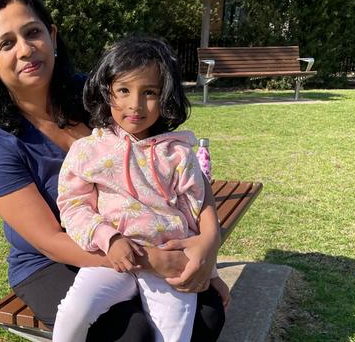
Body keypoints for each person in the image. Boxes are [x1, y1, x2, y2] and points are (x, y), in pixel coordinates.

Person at [0, 0, 226, 341]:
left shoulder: (101, 95)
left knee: (209, 313)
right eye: (6, 43)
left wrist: (209, 242)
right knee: (131, 333)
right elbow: (49, 240)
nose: (26, 49)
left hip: (136, 236)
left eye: (33, 32)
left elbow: (176, 161)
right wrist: (151, 260)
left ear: (53, 35)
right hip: (51, 262)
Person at [53, 37, 230, 342]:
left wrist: (210, 272)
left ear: (166, 98)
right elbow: (73, 205)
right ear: (107, 91)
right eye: (123, 90)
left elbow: (194, 213)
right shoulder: (87, 150)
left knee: (176, 336)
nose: (135, 104)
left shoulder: (177, 154)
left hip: (169, 264)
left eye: (149, 92)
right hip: (112, 260)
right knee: (74, 311)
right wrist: (108, 238)